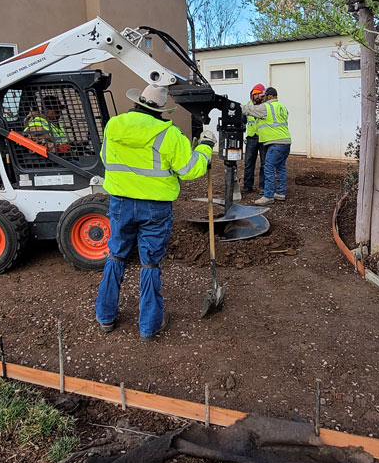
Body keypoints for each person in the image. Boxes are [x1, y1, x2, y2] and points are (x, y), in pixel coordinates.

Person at [95, 85, 215, 341]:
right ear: (161, 110)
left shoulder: (113, 125)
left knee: (116, 255)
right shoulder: (169, 134)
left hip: (120, 201)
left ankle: (105, 316)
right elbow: (190, 170)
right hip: (155, 207)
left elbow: (106, 159)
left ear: (138, 103)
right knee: (149, 262)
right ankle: (149, 326)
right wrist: (205, 147)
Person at [241, 87, 291, 206]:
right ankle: (280, 193)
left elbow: (249, 110)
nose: (262, 98)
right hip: (286, 142)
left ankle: (268, 196)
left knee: (268, 167)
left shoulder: (266, 107)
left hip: (275, 143)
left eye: (263, 96)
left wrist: (235, 106)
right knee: (280, 168)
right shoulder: (282, 107)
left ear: (269, 96)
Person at [242, 83, 266, 195]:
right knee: (248, 163)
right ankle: (247, 186)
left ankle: (263, 186)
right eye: (254, 94)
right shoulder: (247, 106)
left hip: (264, 138)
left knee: (264, 164)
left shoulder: (266, 107)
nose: (256, 96)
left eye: (258, 94)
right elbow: (242, 122)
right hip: (251, 138)